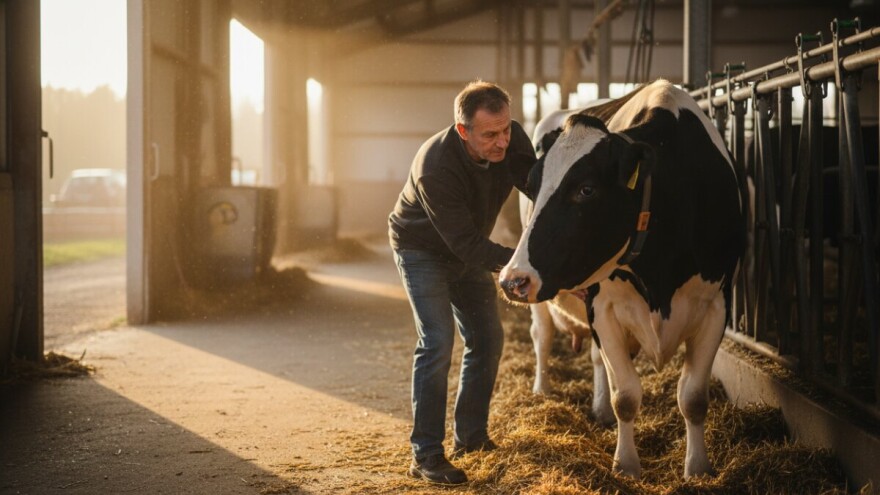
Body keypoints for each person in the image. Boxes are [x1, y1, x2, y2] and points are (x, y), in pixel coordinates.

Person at [388, 80, 536, 485]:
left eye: (506, 129)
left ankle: (470, 438)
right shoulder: (436, 167)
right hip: (423, 250)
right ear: (463, 130)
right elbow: (467, 245)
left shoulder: (511, 139)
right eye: (490, 134)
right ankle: (427, 455)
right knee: (437, 342)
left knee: (488, 339)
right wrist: (524, 263)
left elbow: (539, 188)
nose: (502, 142)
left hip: (467, 245)